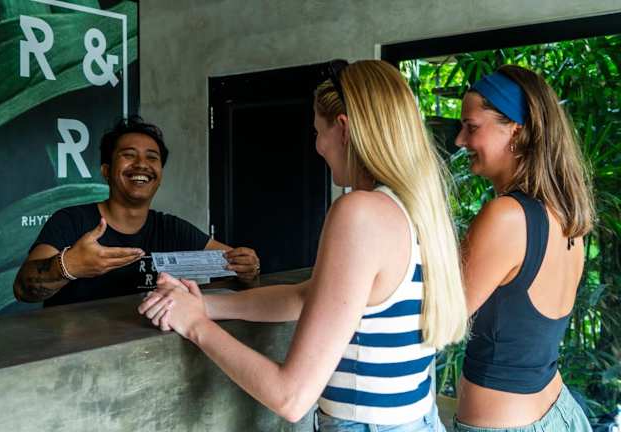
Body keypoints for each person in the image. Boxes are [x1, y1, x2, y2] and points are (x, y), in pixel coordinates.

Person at [139, 60, 467, 431]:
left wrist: (196, 324)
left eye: (317, 131)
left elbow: (291, 396)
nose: (317, 146)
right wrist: (206, 305)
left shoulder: (360, 212)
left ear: (343, 128)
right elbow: (305, 297)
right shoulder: (415, 209)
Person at [453, 65, 595, 431]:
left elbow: (444, 319)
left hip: (509, 423)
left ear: (516, 130)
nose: (460, 140)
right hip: (559, 412)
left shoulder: (507, 217)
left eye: (471, 127)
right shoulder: (566, 216)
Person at [13, 116, 260, 307]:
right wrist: (68, 265)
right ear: (106, 171)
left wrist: (248, 269)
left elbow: (234, 266)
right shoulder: (70, 221)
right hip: (75, 353)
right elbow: (23, 290)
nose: (142, 164)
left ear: (159, 174)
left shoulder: (170, 228)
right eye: (129, 155)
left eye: (152, 158)